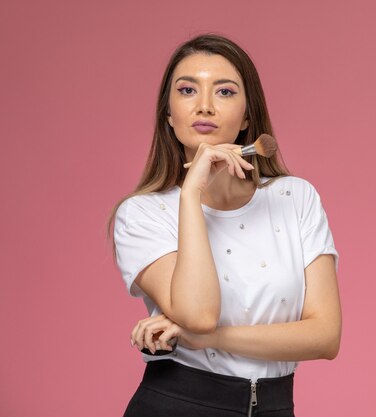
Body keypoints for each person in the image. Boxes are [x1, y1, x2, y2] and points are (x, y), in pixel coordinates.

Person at [106, 33, 341, 417]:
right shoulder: (143, 214)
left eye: (225, 92)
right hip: (177, 404)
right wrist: (190, 196)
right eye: (187, 90)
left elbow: (325, 337)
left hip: (275, 407)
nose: (204, 106)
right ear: (169, 113)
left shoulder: (295, 199)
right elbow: (198, 314)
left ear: (248, 115)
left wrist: (210, 339)